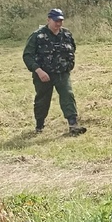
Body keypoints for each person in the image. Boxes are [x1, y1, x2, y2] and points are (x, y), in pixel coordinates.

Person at [23, 8, 87, 136]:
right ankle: (39, 125)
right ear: (48, 20)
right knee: (42, 99)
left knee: (67, 95)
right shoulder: (38, 36)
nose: (59, 23)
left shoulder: (66, 34)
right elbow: (27, 56)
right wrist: (39, 71)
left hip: (62, 73)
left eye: (61, 21)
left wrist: (68, 65)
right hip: (43, 75)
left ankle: (73, 124)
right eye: (56, 20)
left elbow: (72, 49)